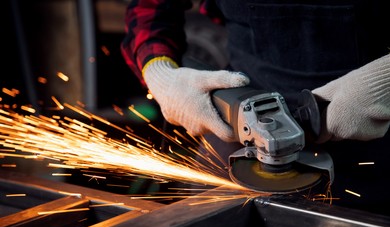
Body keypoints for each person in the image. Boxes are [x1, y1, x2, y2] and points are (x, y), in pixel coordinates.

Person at [121, 0, 389, 147]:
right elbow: (150, 8)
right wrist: (160, 73)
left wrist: (383, 82)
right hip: (240, 121)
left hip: (375, 123)